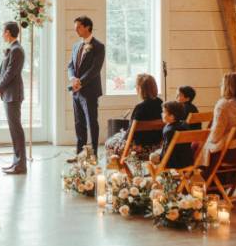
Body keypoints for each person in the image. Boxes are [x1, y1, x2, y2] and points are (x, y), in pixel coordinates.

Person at [67, 16, 105, 161]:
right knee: (79, 122)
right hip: (76, 91)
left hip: (90, 90)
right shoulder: (77, 45)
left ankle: (94, 154)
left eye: (78, 27)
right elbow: (70, 65)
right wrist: (73, 78)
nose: (75, 30)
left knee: (91, 122)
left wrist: (80, 82)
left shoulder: (98, 46)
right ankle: (79, 154)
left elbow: (95, 69)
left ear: (87, 27)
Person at [105, 74, 164, 161]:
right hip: (157, 148)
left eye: (137, 86)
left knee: (108, 143)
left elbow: (130, 132)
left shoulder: (140, 108)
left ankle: (119, 169)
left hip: (138, 149)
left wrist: (121, 143)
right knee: (119, 135)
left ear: (140, 89)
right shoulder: (161, 104)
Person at [0, 21, 26, 175]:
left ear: (8, 32)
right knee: (14, 130)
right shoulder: (13, 49)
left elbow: (10, 72)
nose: (2, 34)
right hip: (9, 94)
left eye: (3, 31)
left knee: (16, 130)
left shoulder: (16, 50)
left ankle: (21, 164)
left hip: (13, 94)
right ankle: (16, 162)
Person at [151, 101, 194, 169]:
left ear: (172, 117)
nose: (161, 113)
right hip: (187, 160)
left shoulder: (169, 130)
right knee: (157, 151)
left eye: (164, 112)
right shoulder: (184, 124)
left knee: (152, 156)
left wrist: (161, 161)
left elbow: (167, 150)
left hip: (173, 162)